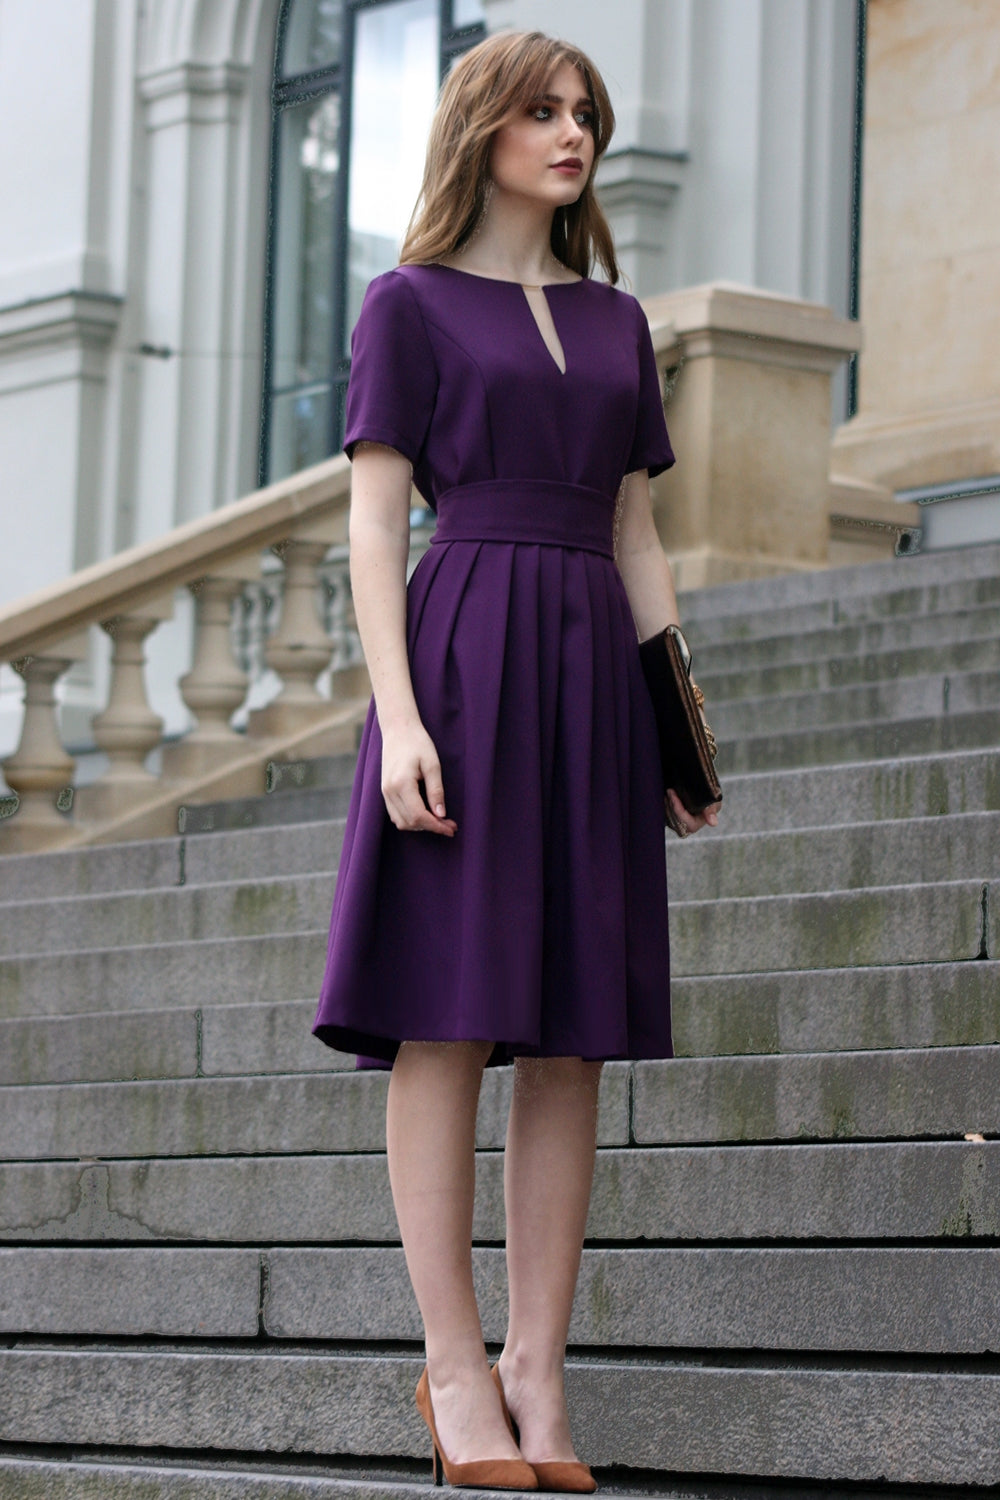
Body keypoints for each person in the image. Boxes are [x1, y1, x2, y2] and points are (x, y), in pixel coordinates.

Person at [312, 29, 720, 1492]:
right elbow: (372, 528)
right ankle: (453, 1368)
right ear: (481, 128)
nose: (572, 134)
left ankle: (543, 1380)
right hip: (468, 657)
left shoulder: (617, 324)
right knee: (449, 1022)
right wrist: (401, 717)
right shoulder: (406, 305)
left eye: (586, 115)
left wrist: (676, 726)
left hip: (590, 671)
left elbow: (635, 535)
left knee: (569, 1035)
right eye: (543, 111)